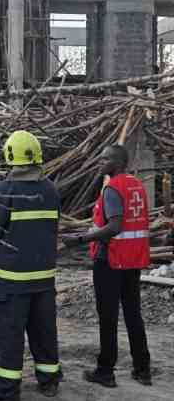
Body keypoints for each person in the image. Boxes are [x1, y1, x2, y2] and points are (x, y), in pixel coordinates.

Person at [0, 131, 62, 401]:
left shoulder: (5, 190)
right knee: (44, 332)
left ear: (9, 157)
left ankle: (6, 392)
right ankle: (49, 380)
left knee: (10, 337)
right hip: (44, 277)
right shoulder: (51, 189)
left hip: (13, 280)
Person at [62, 144, 152, 387]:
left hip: (111, 260)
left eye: (105, 159)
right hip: (133, 259)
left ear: (117, 162)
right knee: (134, 314)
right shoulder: (136, 185)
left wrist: (80, 239)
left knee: (108, 317)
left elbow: (114, 227)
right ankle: (142, 369)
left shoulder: (112, 188)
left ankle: (105, 371)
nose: (100, 163)